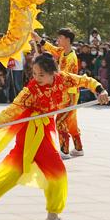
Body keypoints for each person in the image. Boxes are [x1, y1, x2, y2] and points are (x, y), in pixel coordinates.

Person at [0, 54, 109, 220]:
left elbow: (85, 81)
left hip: (44, 130)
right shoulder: (30, 91)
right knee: (57, 172)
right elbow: (11, 111)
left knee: (13, 172)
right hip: (34, 133)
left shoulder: (64, 79)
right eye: (34, 73)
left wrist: (100, 91)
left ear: (53, 73)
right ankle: (53, 217)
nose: (36, 78)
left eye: (41, 75)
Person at [33, 28, 82, 159]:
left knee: (61, 120)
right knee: (71, 121)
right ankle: (78, 148)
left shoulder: (71, 58)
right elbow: (51, 47)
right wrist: (37, 38)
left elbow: (70, 79)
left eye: (60, 38)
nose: (58, 40)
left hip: (69, 94)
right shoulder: (62, 52)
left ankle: (64, 151)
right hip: (64, 92)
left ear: (67, 39)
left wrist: (71, 100)